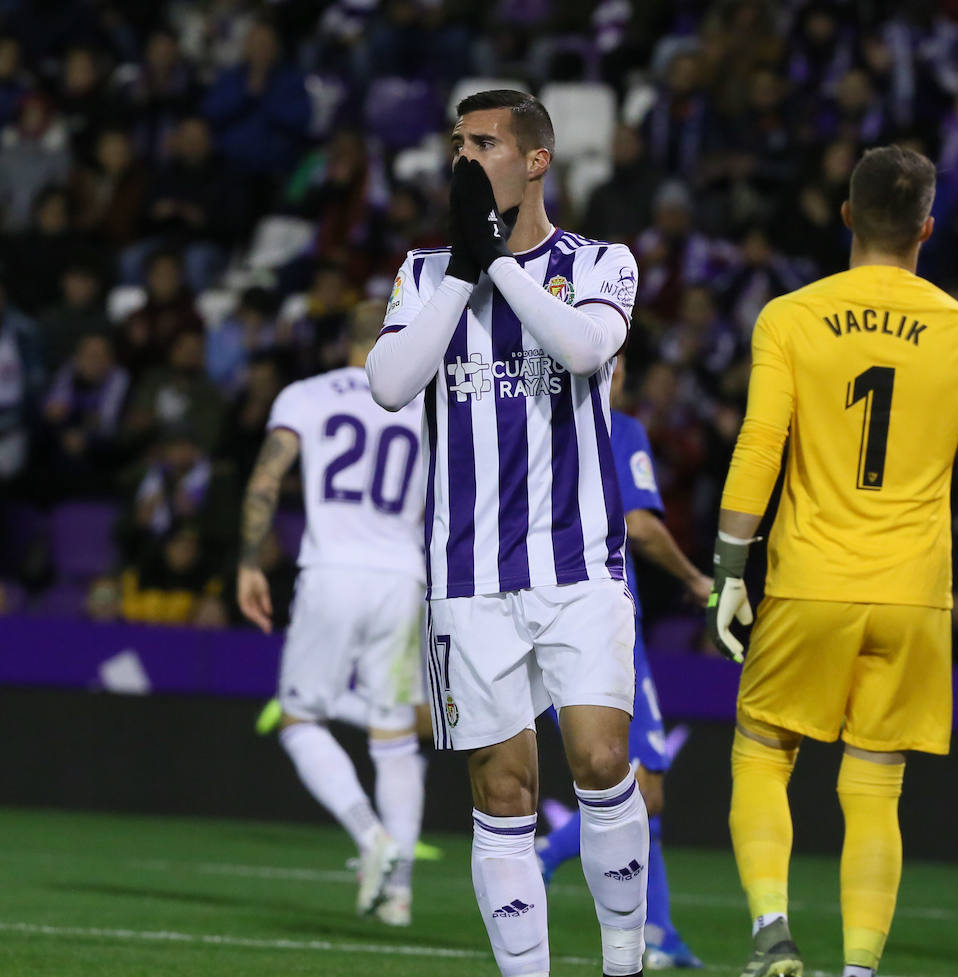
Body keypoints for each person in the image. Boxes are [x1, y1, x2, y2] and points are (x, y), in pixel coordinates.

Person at [708, 145, 958, 977]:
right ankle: (859, 968)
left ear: (847, 216)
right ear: (929, 226)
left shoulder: (791, 316)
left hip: (811, 578)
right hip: (913, 595)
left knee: (761, 752)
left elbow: (761, 444)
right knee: (877, 788)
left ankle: (773, 932)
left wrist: (729, 565)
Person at [365, 90, 649, 977]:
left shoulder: (602, 260)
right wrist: (463, 268)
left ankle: (622, 960)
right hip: (468, 576)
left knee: (602, 758)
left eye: (483, 142)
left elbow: (582, 351)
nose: (464, 157)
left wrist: (500, 263)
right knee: (504, 789)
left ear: (535, 161)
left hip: (579, 562)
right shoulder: (423, 273)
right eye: (458, 143)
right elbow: (388, 382)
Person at [236, 300, 427, 927]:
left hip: (331, 574)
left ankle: (370, 836)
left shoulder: (307, 394)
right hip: (404, 578)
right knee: (396, 739)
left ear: (342, 338)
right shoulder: (427, 399)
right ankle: (398, 894)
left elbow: (267, 480)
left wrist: (247, 563)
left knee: (298, 718)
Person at [536, 357, 711, 970]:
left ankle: (657, 931)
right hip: (602, 619)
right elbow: (637, 523)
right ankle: (544, 858)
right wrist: (694, 577)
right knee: (644, 786)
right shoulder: (619, 427)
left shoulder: (532, 418)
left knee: (623, 782)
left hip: (530, 611)